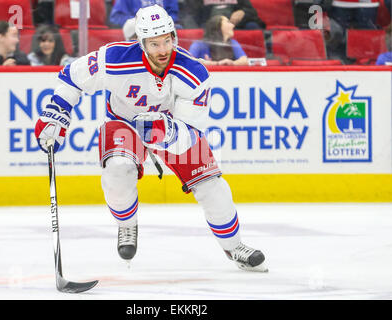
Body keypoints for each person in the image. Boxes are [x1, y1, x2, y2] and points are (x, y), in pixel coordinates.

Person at [34, 4, 267, 272]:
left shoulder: (194, 73)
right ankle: (127, 225)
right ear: (142, 42)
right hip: (123, 122)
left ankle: (234, 246)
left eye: (167, 41)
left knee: (212, 185)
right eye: (154, 44)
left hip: (173, 127)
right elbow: (71, 78)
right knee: (118, 170)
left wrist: (165, 131)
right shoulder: (114, 58)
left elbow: (191, 131)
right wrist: (57, 111)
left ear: (174, 37)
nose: (162, 50)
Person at [184, 0, 265, 30]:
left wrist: (243, 12)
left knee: (252, 26)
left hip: (235, 27)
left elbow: (253, 13)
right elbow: (189, 16)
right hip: (209, 29)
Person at [109, 0, 179, 27]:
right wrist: (140, 21)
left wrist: (164, 22)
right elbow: (116, 17)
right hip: (137, 34)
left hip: (163, 29)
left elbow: (173, 14)